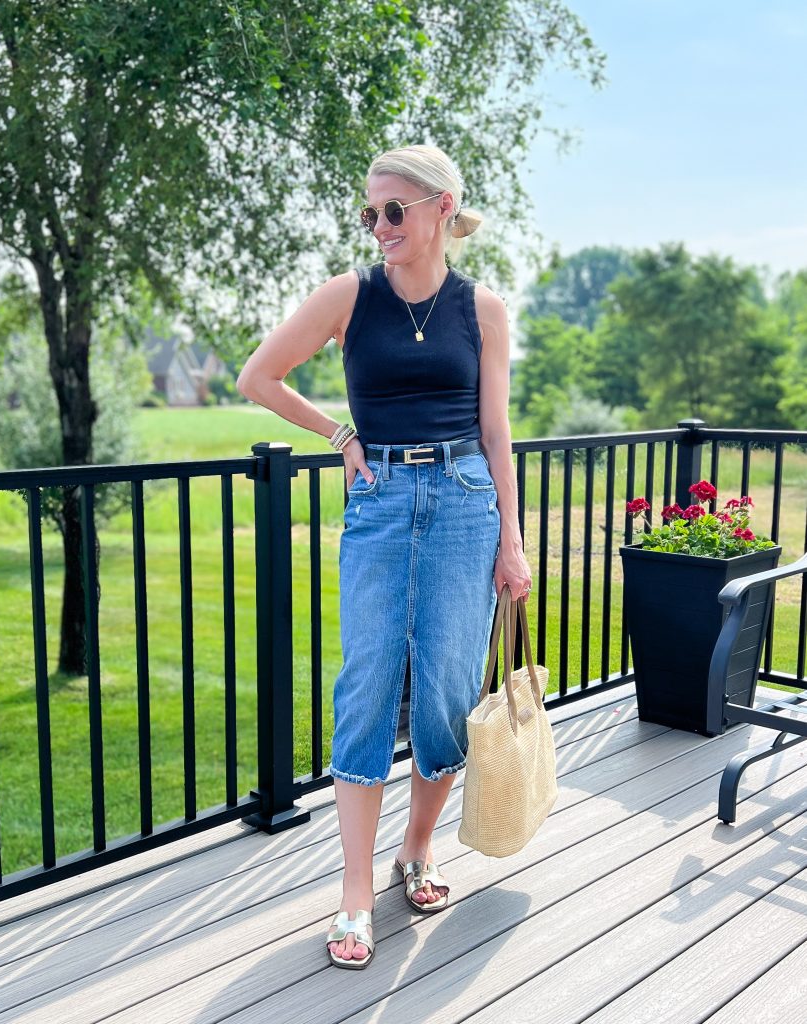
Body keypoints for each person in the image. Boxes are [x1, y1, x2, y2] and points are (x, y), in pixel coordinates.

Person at [236, 144, 531, 970]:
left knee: (443, 689)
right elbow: (258, 376)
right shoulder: (348, 295)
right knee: (366, 682)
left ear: (442, 207)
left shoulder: (483, 310)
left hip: (465, 505)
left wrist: (512, 539)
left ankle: (418, 848)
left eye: (392, 211)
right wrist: (338, 433)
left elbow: (495, 431)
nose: (378, 227)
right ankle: (355, 892)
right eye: (368, 213)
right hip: (379, 501)